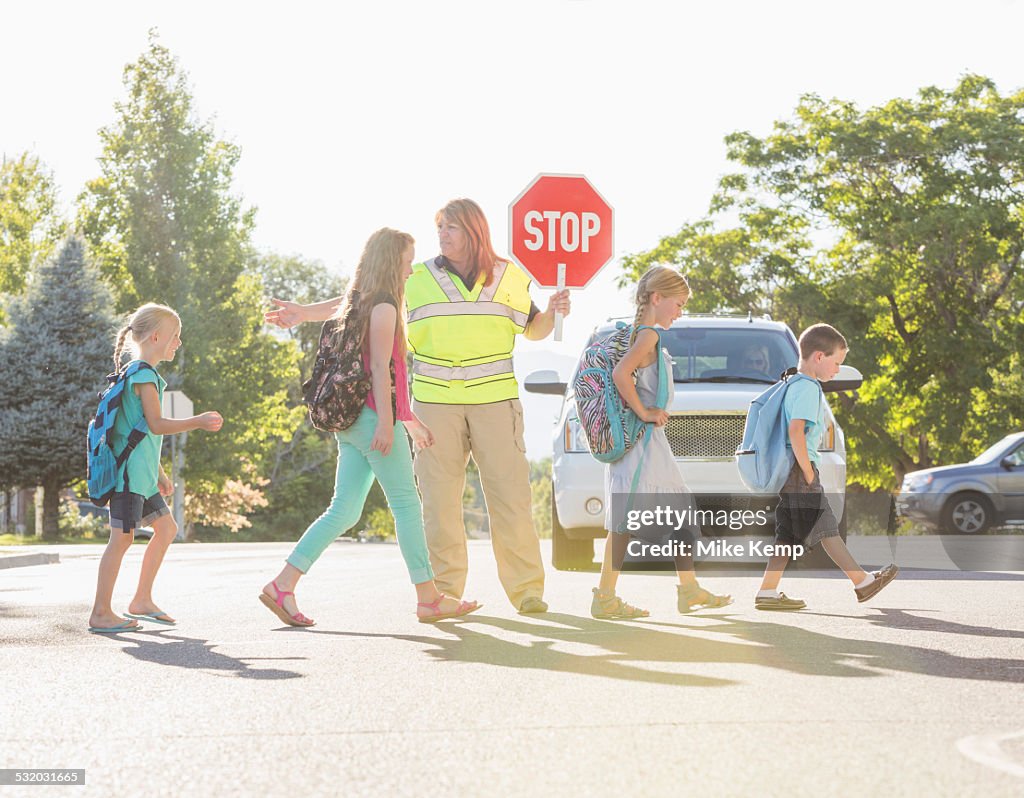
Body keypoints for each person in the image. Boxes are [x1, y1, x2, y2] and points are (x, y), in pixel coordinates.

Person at [259, 228, 480, 626]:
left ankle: (283, 584)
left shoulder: (360, 301)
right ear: (392, 261)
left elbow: (337, 309)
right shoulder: (384, 307)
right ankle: (429, 598)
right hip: (373, 418)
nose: (412, 269)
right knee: (408, 506)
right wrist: (388, 423)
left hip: (353, 421)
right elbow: (381, 368)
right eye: (408, 260)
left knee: (344, 510)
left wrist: (407, 421)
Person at [406, 199, 570, 613]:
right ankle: (444, 592)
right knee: (439, 504)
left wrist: (552, 312)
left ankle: (527, 591)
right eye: (440, 226)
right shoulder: (414, 277)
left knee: (510, 498)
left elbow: (533, 329)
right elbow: (362, 302)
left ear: (475, 231)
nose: (443, 234)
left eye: (452, 228)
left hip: (494, 403)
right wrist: (304, 313)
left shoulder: (508, 276)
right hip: (434, 405)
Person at [592, 267, 732, 619]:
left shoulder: (641, 334)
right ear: (657, 298)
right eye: (678, 304)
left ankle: (688, 590)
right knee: (628, 521)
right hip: (643, 445)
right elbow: (621, 374)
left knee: (668, 514)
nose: (680, 312)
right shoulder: (649, 336)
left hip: (647, 445)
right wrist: (646, 411)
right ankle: (608, 597)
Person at [89, 303, 223, 633]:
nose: (178, 342)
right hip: (128, 479)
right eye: (175, 336)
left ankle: (142, 600)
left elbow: (136, 433)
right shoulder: (143, 375)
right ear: (156, 336)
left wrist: (160, 474)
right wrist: (199, 421)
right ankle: (101, 613)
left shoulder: (135, 373)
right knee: (120, 540)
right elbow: (157, 424)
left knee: (166, 529)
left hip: (143, 477)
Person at [755, 323, 898, 610]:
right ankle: (862, 582)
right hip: (801, 471)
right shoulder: (808, 388)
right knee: (827, 528)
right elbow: (796, 431)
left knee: (787, 535)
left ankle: (767, 592)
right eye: (836, 363)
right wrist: (808, 473)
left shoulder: (793, 384)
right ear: (819, 357)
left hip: (792, 472)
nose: (837, 371)